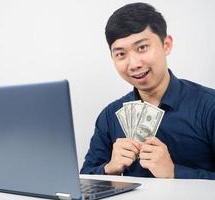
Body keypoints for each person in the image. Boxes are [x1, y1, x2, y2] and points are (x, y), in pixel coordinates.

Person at [80, 2, 215, 179]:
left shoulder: (209, 106)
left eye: (142, 47)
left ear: (166, 45)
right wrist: (109, 168)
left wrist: (174, 173)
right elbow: (85, 178)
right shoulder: (110, 116)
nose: (134, 64)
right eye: (121, 54)